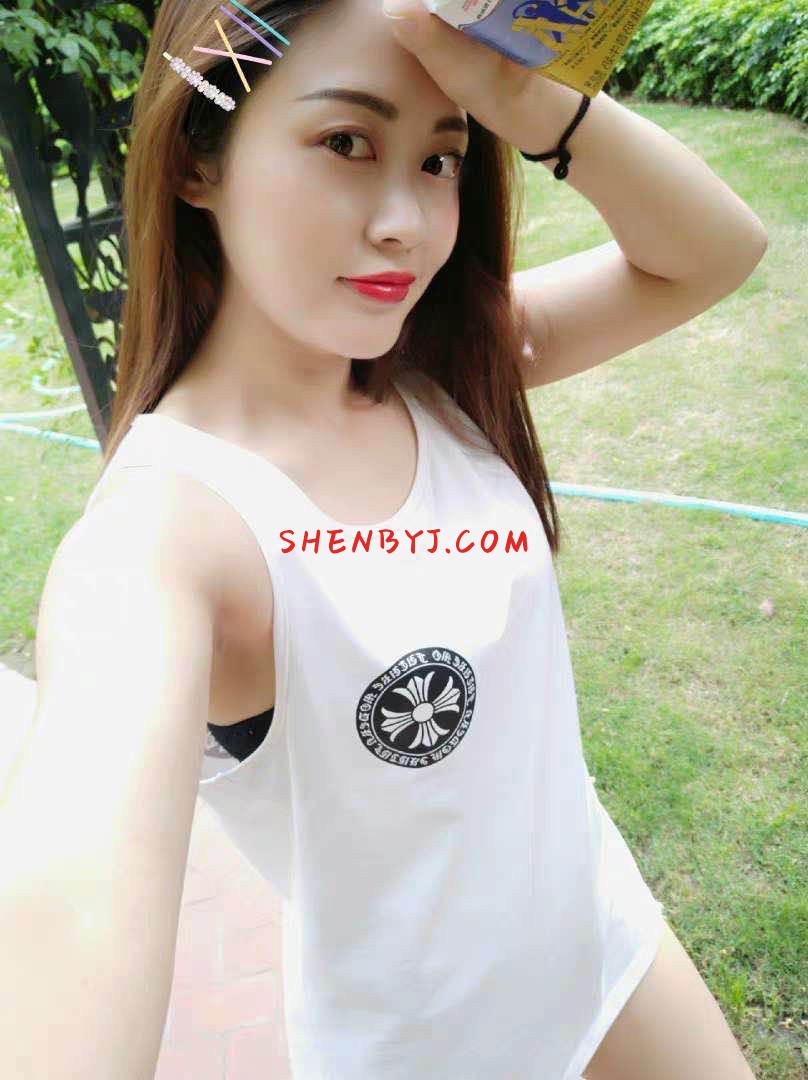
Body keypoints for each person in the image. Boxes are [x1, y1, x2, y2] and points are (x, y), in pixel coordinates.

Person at [0, 0, 767, 1075]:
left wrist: (520, 101)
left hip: (609, 948)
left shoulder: (442, 368)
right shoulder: (166, 533)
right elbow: (70, 912)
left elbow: (716, 252)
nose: (406, 223)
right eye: (346, 142)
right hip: (427, 1050)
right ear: (198, 161)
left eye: (440, 160)